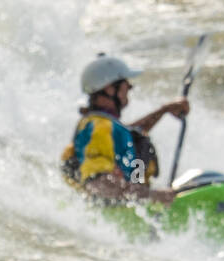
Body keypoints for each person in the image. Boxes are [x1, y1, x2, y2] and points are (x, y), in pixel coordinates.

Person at [60, 53, 190, 204]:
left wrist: (164, 110)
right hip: (116, 211)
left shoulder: (102, 124)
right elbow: (97, 184)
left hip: (124, 206)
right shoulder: (99, 128)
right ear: (109, 89)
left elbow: (132, 136)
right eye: (125, 84)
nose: (130, 87)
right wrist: (153, 196)